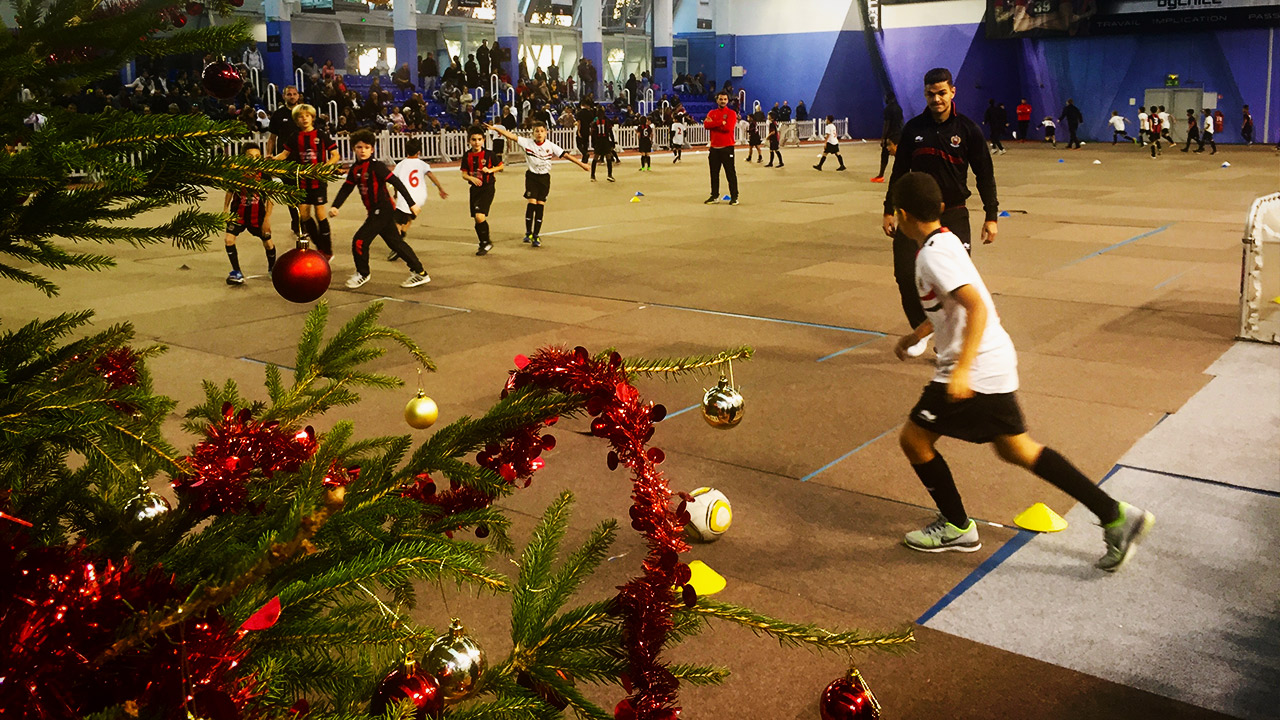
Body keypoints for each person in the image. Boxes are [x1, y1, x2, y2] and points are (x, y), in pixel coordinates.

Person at [887, 171, 1155, 569]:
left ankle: (957, 527)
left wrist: (961, 371)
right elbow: (952, 304)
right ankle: (1116, 515)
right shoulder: (945, 241)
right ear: (940, 208)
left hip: (974, 368)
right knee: (1017, 449)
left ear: (902, 215)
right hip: (992, 362)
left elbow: (976, 306)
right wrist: (916, 336)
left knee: (914, 440)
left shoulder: (932, 255)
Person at [882, 67, 998, 358]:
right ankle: (920, 329)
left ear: (952, 92)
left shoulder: (968, 130)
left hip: (954, 214)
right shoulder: (913, 129)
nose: (936, 99)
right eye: (931, 94)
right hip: (916, 216)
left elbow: (984, 174)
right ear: (925, 94)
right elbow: (899, 172)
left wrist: (991, 215)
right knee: (905, 274)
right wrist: (888, 210)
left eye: (942, 93)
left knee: (953, 282)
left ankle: (950, 341)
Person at [328, 130, 429, 289]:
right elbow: (346, 188)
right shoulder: (355, 169)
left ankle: (362, 273)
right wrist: (335, 206)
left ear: (372, 150)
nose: (363, 150)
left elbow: (397, 183)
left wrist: (412, 204)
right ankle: (420, 272)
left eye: (367, 147)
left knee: (360, 241)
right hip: (375, 211)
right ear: (354, 149)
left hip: (382, 210)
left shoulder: (377, 167)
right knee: (396, 243)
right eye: (359, 147)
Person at [486, 120, 590, 248]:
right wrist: (496, 129)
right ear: (532, 133)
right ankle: (528, 232)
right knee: (532, 203)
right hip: (532, 177)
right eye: (536, 131)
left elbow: (566, 155)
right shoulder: (527, 143)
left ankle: (536, 234)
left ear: (546, 133)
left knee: (540, 206)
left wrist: (582, 165)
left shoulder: (550, 145)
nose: (539, 133)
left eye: (541, 131)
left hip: (544, 178)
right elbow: (511, 136)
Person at [272, 102, 340, 257]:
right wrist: (273, 159)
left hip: (318, 180)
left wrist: (325, 167)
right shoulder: (294, 137)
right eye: (301, 117)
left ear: (312, 117)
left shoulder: (321, 135)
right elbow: (284, 154)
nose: (304, 119)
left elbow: (335, 155)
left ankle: (327, 250)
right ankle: (319, 245)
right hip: (302, 180)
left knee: (320, 213)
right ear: (296, 120)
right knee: (303, 215)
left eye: (307, 116)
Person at [385, 138, 448, 262]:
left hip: (406, 198)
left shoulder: (401, 165)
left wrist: (396, 193)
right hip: (419, 197)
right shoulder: (422, 164)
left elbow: (396, 181)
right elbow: (431, 176)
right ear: (419, 152)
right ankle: (401, 238)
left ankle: (398, 245)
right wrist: (440, 188)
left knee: (396, 221)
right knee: (409, 218)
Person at [220, 144, 275, 285]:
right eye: (250, 157)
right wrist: (225, 210)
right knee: (229, 240)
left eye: (257, 157)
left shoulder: (264, 176)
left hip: (257, 217)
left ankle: (273, 269)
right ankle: (236, 271)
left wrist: (267, 219)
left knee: (268, 243)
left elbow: (270, 199)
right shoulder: (237, 174)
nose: (254, 160)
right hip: (238, 215)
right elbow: (230, 191)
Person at [460, 126, 503, 256]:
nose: (476, 142)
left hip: (487, 188)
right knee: (476, 218)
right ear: (469, 141)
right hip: (474, 189)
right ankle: (483, 242)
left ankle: (486, 242)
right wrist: (471, 178)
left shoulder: (489, 154)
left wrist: (490, 170)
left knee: (479, 215)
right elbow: (464, 174)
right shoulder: (467, 155)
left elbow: (500, 166)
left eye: (479, 139)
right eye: (473, 140)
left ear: (483, 140)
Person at [703, 90, 739, 205]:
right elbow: (706, 125)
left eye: (725, 99)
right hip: (714, 148)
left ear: (727, 101)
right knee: (714, 174)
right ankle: (714, 196)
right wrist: (720, 122)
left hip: (727, 147)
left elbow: (728, 128)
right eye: (721, 99)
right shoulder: (712, 112)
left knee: (730, 173)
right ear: (717, 100)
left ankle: (734, 197)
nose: (723, 101)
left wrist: (714, 123)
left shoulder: (731, 113)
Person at [872, 93, 903, 182]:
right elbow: (901, 122)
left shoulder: (888, 109)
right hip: (899, 134)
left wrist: (883, 137)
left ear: (888, 98)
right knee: (899, 155)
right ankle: (902, 174)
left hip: (890, 135)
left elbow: (887, 124)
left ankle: (880, 176)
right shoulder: (899, 108)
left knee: (885, 155)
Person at [588, 109, 616, 182]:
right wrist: (613, 142)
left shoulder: (594, 123)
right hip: (605, 141)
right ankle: (609, 175)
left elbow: (593, 135)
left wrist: (593, 144)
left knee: (595, 157)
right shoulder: (607, 122)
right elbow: (611, 133)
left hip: (598, 142)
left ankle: (592, 176)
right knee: (608, 157)